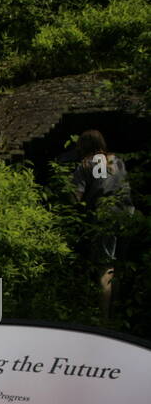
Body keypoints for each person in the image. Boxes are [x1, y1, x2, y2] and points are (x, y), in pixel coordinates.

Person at [70, 130, 135, 316]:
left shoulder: (84, 165)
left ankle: (104, 319)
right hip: (126, 214)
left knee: (105, 268)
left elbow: (75, 197)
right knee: (120, 265)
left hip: (103, 216)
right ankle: (118, 314)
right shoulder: (117, 161)